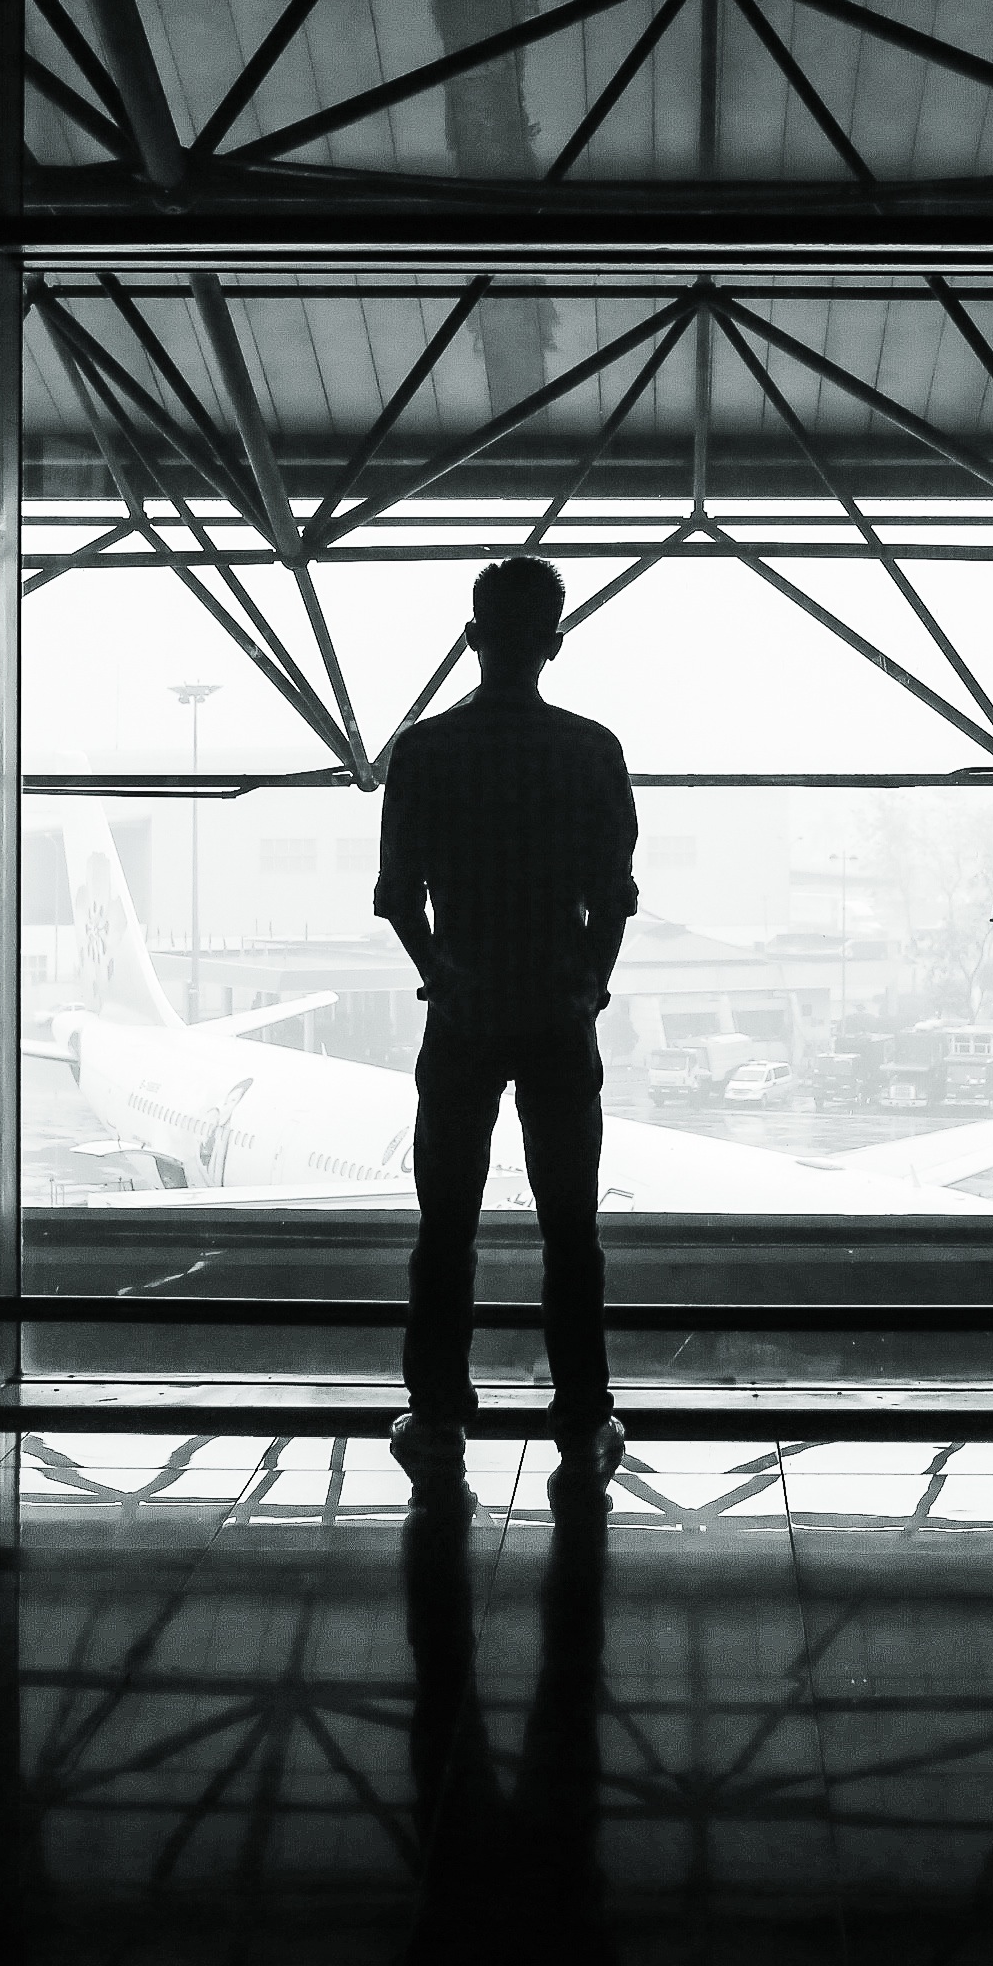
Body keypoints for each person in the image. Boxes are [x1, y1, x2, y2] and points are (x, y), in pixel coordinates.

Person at [373, 556, 638, 1484]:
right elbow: (614, 896)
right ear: (553, 643)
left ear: (473, 638)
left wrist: (441, 973)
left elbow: (400, 896)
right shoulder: (590, 751)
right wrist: (589, 984)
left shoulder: (426, 752)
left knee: (445, 1225)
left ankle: (439, 1413)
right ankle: (581, 1415)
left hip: (464, 1013)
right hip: (560, 1015)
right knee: (571, 1228)